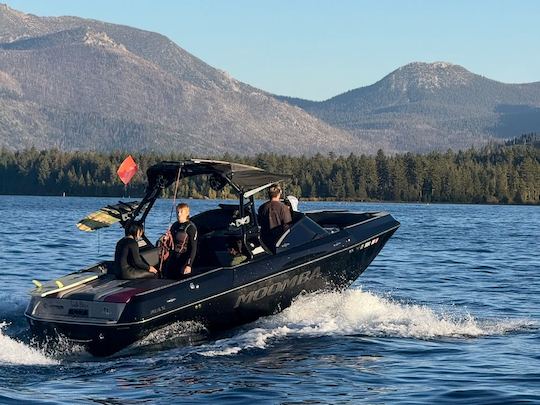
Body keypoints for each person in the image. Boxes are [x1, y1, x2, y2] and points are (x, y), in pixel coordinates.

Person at [163, 203, 198, 280]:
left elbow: (193, 248)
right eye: (177, 212)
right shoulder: (175, 225)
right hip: (173, 257)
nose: (179, 214)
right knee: (167, 277)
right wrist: (166, 239)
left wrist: (189, 264)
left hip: (183, 257)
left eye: (181, 212)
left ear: (187, 213)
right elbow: (170, 242)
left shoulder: (190, 227)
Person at [257, 184, 292, 253]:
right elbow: (287, 227)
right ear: (279, 193)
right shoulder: (283, 208)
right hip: (278, 241)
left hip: (265, 241)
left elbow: (259, 223)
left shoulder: (262, 207)